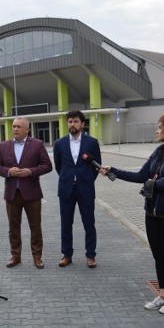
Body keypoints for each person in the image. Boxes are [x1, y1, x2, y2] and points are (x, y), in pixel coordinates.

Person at [99, 110, 164, 314]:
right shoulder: (160, 151)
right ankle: (163, 295)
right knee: (158, 255)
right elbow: (141, 175)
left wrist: (149, 184)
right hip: (152, 210)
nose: (157, 130)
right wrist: (113, 170)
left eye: (160, 127)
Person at [0, 117, 53, 269]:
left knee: (35, 227)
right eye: (14, 126)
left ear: (27, 129)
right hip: (12, 194)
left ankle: (37, 256)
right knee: (13, 227)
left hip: (32, 194)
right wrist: (8, 171)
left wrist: (31, 172)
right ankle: (15, 255)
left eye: (19, 127)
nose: (15, 129)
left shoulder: (37, 145)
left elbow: (47, 166)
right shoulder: (4, 145)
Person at [53, 110, 102, 269]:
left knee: (89, 223)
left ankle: (91, 255)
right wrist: (69, 178)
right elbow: (59, 166)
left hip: (85, 189)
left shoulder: (92, 142)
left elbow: (96, 166)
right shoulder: (59, 143)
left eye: (75, 121)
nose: (72, 124)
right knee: (66, 223)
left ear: (82, 124)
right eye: (70, 122)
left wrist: (86, 179)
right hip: (66, 189)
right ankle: (67, 255)